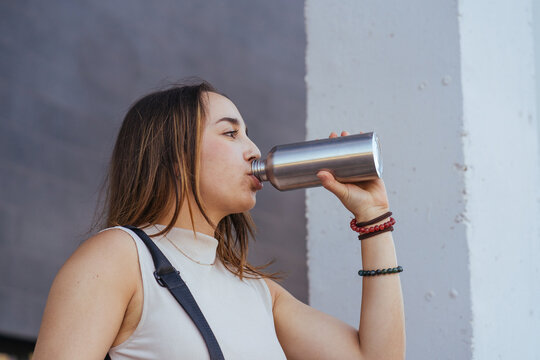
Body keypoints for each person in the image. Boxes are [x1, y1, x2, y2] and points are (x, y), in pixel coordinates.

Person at [32, 81, 405, 359]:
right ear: (174, 155)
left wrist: (374, 220)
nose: (254, 150)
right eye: (230, 133)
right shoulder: (119, 257)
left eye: (247, 134)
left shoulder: (258, 291)